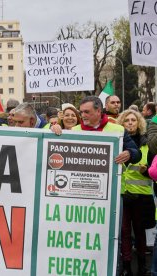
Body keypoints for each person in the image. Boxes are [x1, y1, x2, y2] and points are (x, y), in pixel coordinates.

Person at [117, 109, 154, 276]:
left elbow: (154, 171)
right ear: (122, 124)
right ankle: (126, 267)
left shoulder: (148, 144)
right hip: (121, 195)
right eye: (127, 120)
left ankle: (142, 266)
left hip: (141, 196)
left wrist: (146, 171)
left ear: (139, 123)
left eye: (133, 120)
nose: (130, 123)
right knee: (124, 233)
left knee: (140, 233)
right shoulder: (117, 142)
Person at [72, 96, 140, 165]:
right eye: (81, 112)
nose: (83, 115)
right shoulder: (73, 131)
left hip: (112, 175)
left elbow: (138, 154)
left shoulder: (118, 130)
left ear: (98, 111)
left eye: (86, 112)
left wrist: (130, 153)